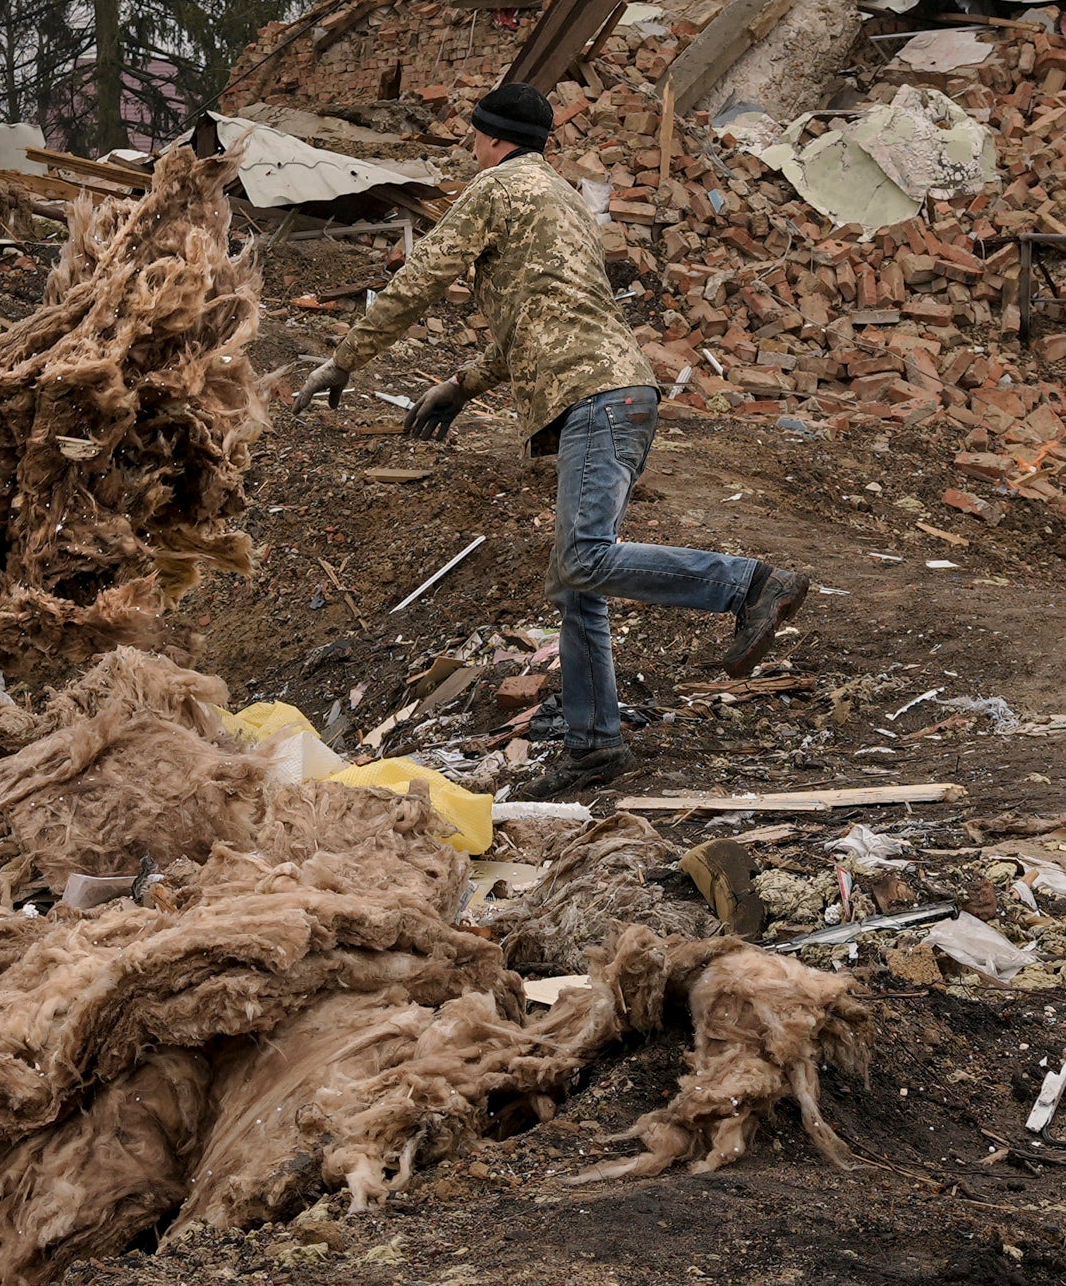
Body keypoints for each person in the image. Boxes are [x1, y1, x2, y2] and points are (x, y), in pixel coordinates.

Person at [301, 79, 807, 796]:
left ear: (496, 137)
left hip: (595, 399)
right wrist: (461, 385)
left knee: (584, 556)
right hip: (618, 393)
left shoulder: (496, 189)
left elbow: (419, 278)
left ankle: (749, 584)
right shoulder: (563, 200)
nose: (470, 144)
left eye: (476, 132)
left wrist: (343, 358)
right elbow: (538, 323)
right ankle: (595, 745)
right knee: (575, 583)